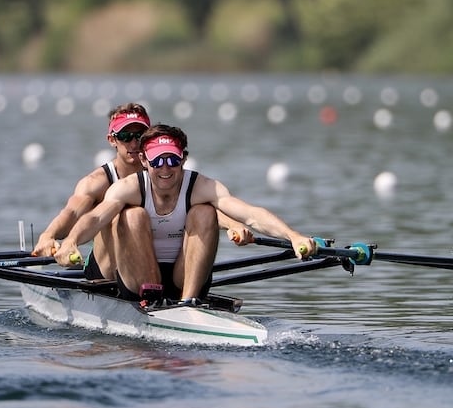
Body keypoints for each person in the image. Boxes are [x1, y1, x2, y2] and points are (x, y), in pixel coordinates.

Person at [54, 124, 316, 304]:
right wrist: (71, 241)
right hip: (139, 280)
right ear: (144, 161)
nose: (165, 168)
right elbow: (96, 217)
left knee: (204, 213)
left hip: (184, 278)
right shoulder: (128, 189)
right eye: (157, 161)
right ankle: (153, 300)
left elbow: (251, 214)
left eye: (172, 160)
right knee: (131, 216)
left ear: (183, 159)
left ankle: (188, 304)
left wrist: (293, 236)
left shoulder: (202, 186)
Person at [33, 104, 253, 281]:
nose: (134, 142)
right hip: (108, 270)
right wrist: (48, 236)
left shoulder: (163, 171)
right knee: (121, 212)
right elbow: (72, 213)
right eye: (125, 136)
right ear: (112, 140)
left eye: (139, 135)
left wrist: (233, 223)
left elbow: (196, 204)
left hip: (154, 266)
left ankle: (174, 292)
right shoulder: (97, 182)